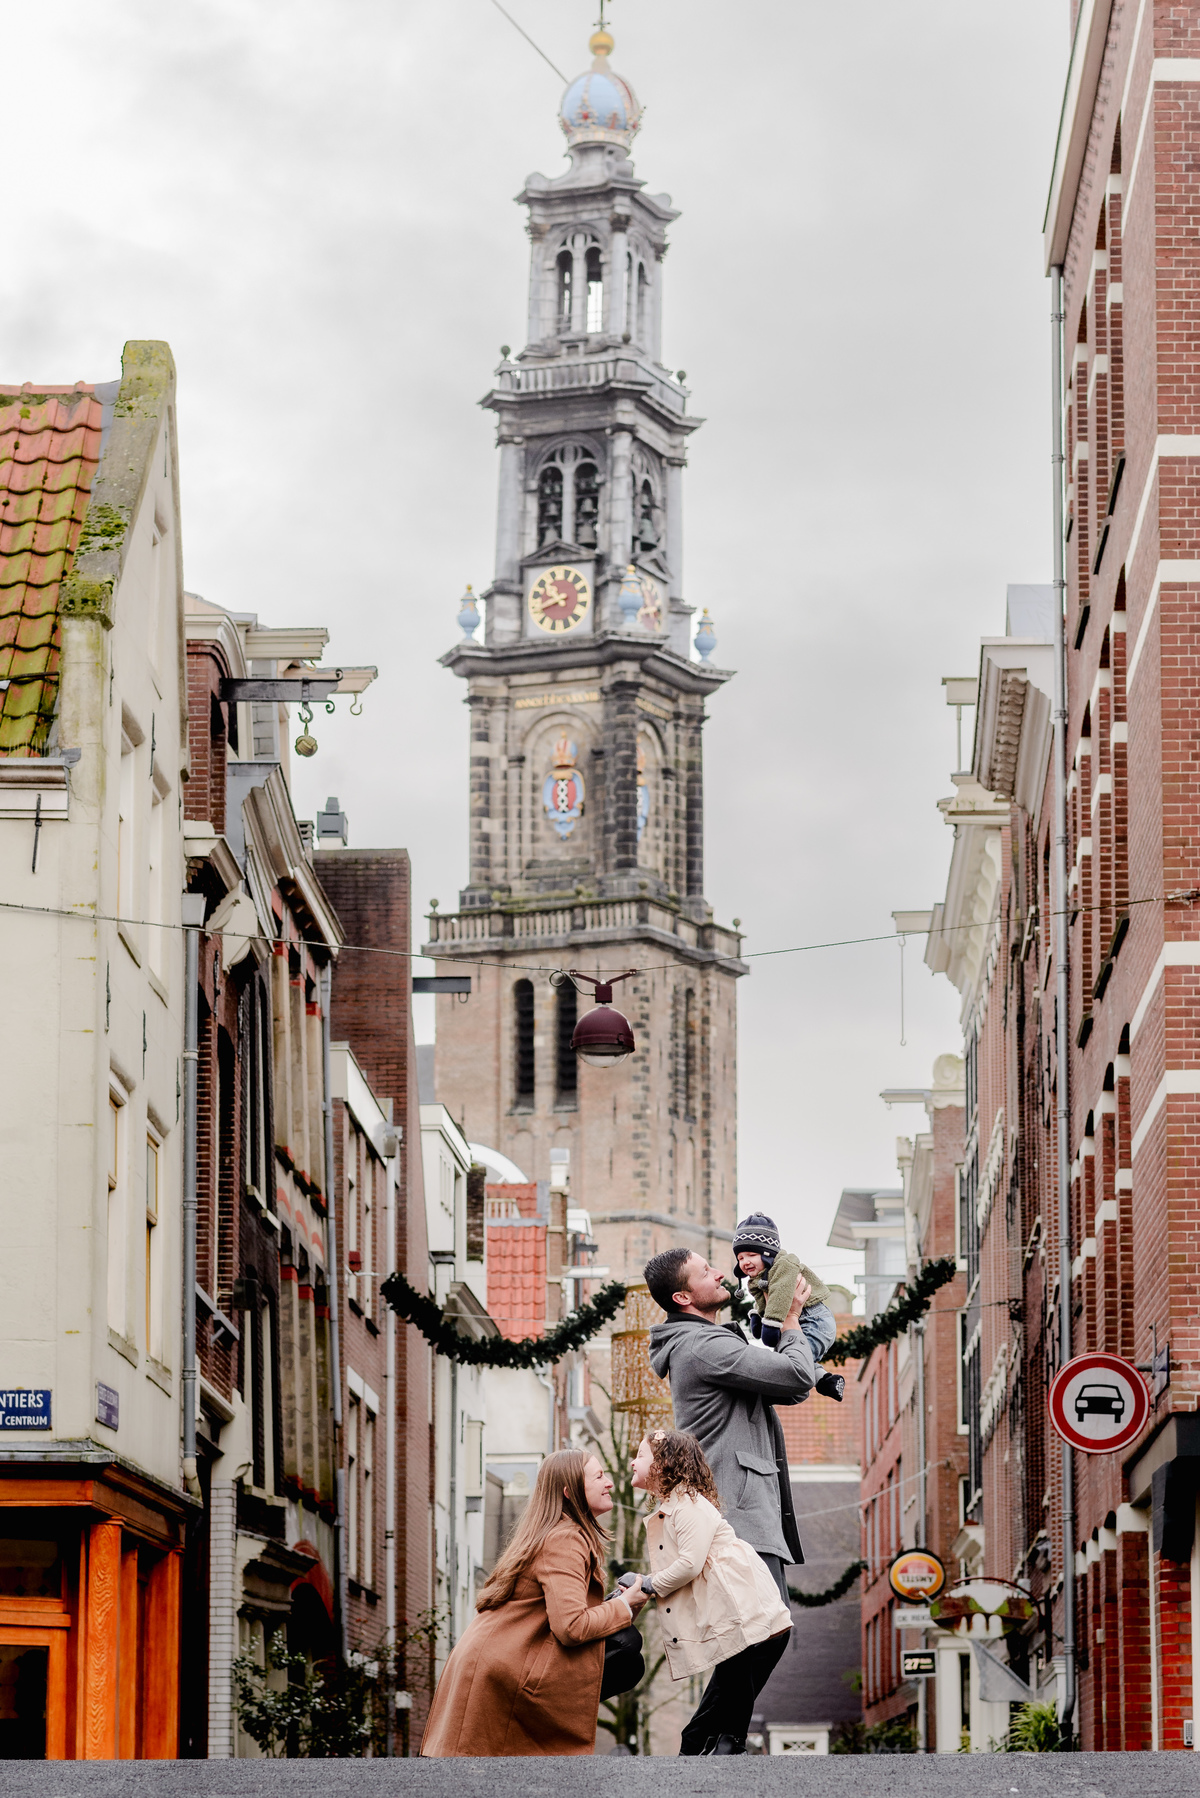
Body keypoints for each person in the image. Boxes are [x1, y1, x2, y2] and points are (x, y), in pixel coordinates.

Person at [420, 1448, 648, 1757]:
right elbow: (571, 1626)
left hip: (498, 1663)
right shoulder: (565, 1538)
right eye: (598, 1476)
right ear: (570, 1492)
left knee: (628, 1653)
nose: (609, 1483)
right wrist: (622, 1607)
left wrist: (622, 1606)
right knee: (627, 1647)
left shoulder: (554, 1533)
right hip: (503, 1671)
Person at [644, 1246, 813, 1603]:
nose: (721, 1273)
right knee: (762, 1637)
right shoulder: (702, 1345)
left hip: (741, 1517)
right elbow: (798, 1374)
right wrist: (792, 1316)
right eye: (705, 1272)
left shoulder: (703, 1344)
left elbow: (793, 1387)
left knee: (759, 1639)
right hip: (741, 1520)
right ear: (683, 1297)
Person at [629, 1428, 792, 1756]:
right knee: (727, 1682)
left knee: (732, 1675)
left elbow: (690, 1563)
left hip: (736, 1604)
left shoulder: (687, 1504)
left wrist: (650, 1583)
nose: (634, 1462)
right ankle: (723, 1741)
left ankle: (731, 1741)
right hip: (731, 1605)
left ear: (662, 1464)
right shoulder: (677, 1506)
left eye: (641, 1455)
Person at [732, 1211, 845, 1400]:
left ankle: (782, 1389)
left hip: (814, 1320)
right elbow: (764, 1300)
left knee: (792, 1363)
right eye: (740, 1258)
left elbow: (780, 1294)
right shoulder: (758, 1278)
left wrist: (771, 1323)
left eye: (751, 1254)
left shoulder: (783, 1265)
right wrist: (758, 1318)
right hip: (798, 1322)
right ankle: (827, 1381)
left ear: (767, 1252)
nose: (745, 1262)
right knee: (793, 1358)